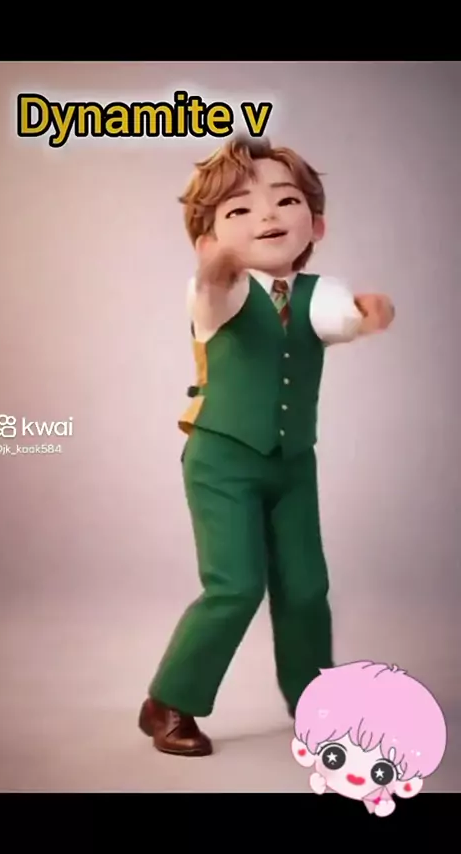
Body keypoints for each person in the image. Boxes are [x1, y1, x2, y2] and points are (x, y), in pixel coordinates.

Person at [139, 136, 395, 756]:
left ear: (316, 223)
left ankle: (315, 700)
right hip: (221, 460)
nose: (268, 217)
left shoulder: (317, 293)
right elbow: (213, 296)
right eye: (240, 210)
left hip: (292, 462)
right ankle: (169, 701)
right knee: (235, 585)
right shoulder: (217, 290)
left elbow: (338, 317)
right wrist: (216, 269)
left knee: (306, 585)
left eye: (285, 201)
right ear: (207, 240)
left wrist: (368, 314)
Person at [291, 661, 447, 816]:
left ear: (408, 785)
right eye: (335, 757)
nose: (356, 774)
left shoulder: (377, 796)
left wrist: (383, 807)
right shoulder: (328, 779)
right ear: (302, 751)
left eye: (383, 772)